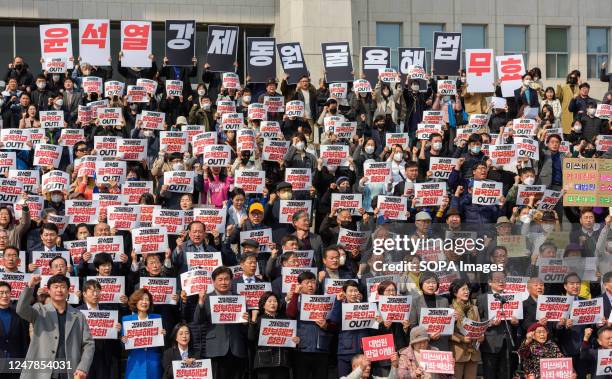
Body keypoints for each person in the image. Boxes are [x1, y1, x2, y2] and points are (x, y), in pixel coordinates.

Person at [17, 274, 95, 379]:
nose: (59, 290)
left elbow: (89, 344)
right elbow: (21, 309)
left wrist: (83, 367)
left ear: (68, 291)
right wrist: (30, 286)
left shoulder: (78, 316)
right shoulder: (39, 310)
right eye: (55, 287)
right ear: (48, 291)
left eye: (63, 287)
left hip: (70, 372)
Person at [194, 266, 248, 379]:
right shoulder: (207, 298)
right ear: (213, 281)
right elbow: (198, 321)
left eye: (226, 279)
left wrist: (245, 321)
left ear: (231, 280)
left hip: (236, 348)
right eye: (220, 279)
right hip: (216, 348)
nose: (224, 282)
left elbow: (245, 328)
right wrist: (201, 302)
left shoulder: (239, 299)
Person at [76, 279, 122, 379]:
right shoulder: (77, 312)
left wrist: (117, 330)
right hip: (84, 356)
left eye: (98, 291)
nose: (96, 294)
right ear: (84, 293)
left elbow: (115, 336)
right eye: (92, 291)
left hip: (104, 356)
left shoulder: (109, 311)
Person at [248, 291, 299, 378]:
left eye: (275, 301)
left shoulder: (285, 319)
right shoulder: (259, 319)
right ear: (263, 305)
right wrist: (253, 320)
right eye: (269, 301)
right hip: (264, 362)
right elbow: (251, 338)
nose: (273, 303)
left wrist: (295, 341)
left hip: (282, 362)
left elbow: (290, 341)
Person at [121, 288, 166, 379]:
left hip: (153, 361)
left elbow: (161, 344)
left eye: (147, 300)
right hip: (135, 362)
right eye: (141, 299)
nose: (144, 302)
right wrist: (123, 340)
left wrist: (163, 335)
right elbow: (123, 345)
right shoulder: (127, 320)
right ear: (136, 302)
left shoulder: (157, 318)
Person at [449, 278, 483, 379]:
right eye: (463, 289)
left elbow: (480, 327)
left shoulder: (474, 309)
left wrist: (481, 336)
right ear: (455, 292)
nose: (467, 292)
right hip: (458, 352)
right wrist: (461, 338)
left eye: (467, 289)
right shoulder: (450, 310)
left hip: (473, 353)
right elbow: (447, 332)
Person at [0, 281, 29, 379]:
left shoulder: (19, 314)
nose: (4, 295)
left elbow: (24, 340)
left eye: (7, 292)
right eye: (1, 293)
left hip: (16, 364)